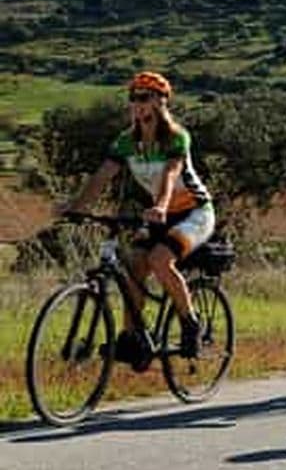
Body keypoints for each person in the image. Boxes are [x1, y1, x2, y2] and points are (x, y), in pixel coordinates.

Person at [64, 70, 215, 361]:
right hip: (160, 215)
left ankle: (190, 324)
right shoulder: (127, 142)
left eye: (144, 97)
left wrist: (159, 206)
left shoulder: (176, 137)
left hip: (193, 213)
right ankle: (131, 337)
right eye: (133, 98)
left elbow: (171, 175)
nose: (137, 104)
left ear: (160, 102)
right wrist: (76, 206)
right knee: (133, 268)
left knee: (160, 259)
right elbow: (102, 176)